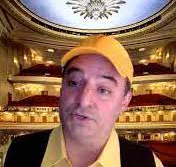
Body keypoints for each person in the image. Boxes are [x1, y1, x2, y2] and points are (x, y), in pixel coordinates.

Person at [4, 35, 164, 167]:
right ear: (61, 91)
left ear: (125, 101)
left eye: (103, 90)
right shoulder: (17, 151)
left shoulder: (148, 163)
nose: (83, 100)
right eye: (74, 82)